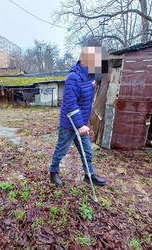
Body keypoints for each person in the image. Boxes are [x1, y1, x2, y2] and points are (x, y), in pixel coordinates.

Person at [49, 40, 107, 187]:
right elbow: (70, 104)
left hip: (82, 122)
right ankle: (53, 172)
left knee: (87, 151)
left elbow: (99, 78)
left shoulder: (91, 75)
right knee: (61, 150)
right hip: (69, 124)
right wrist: (81, 125)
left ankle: (89, 175)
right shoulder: (73, 77)